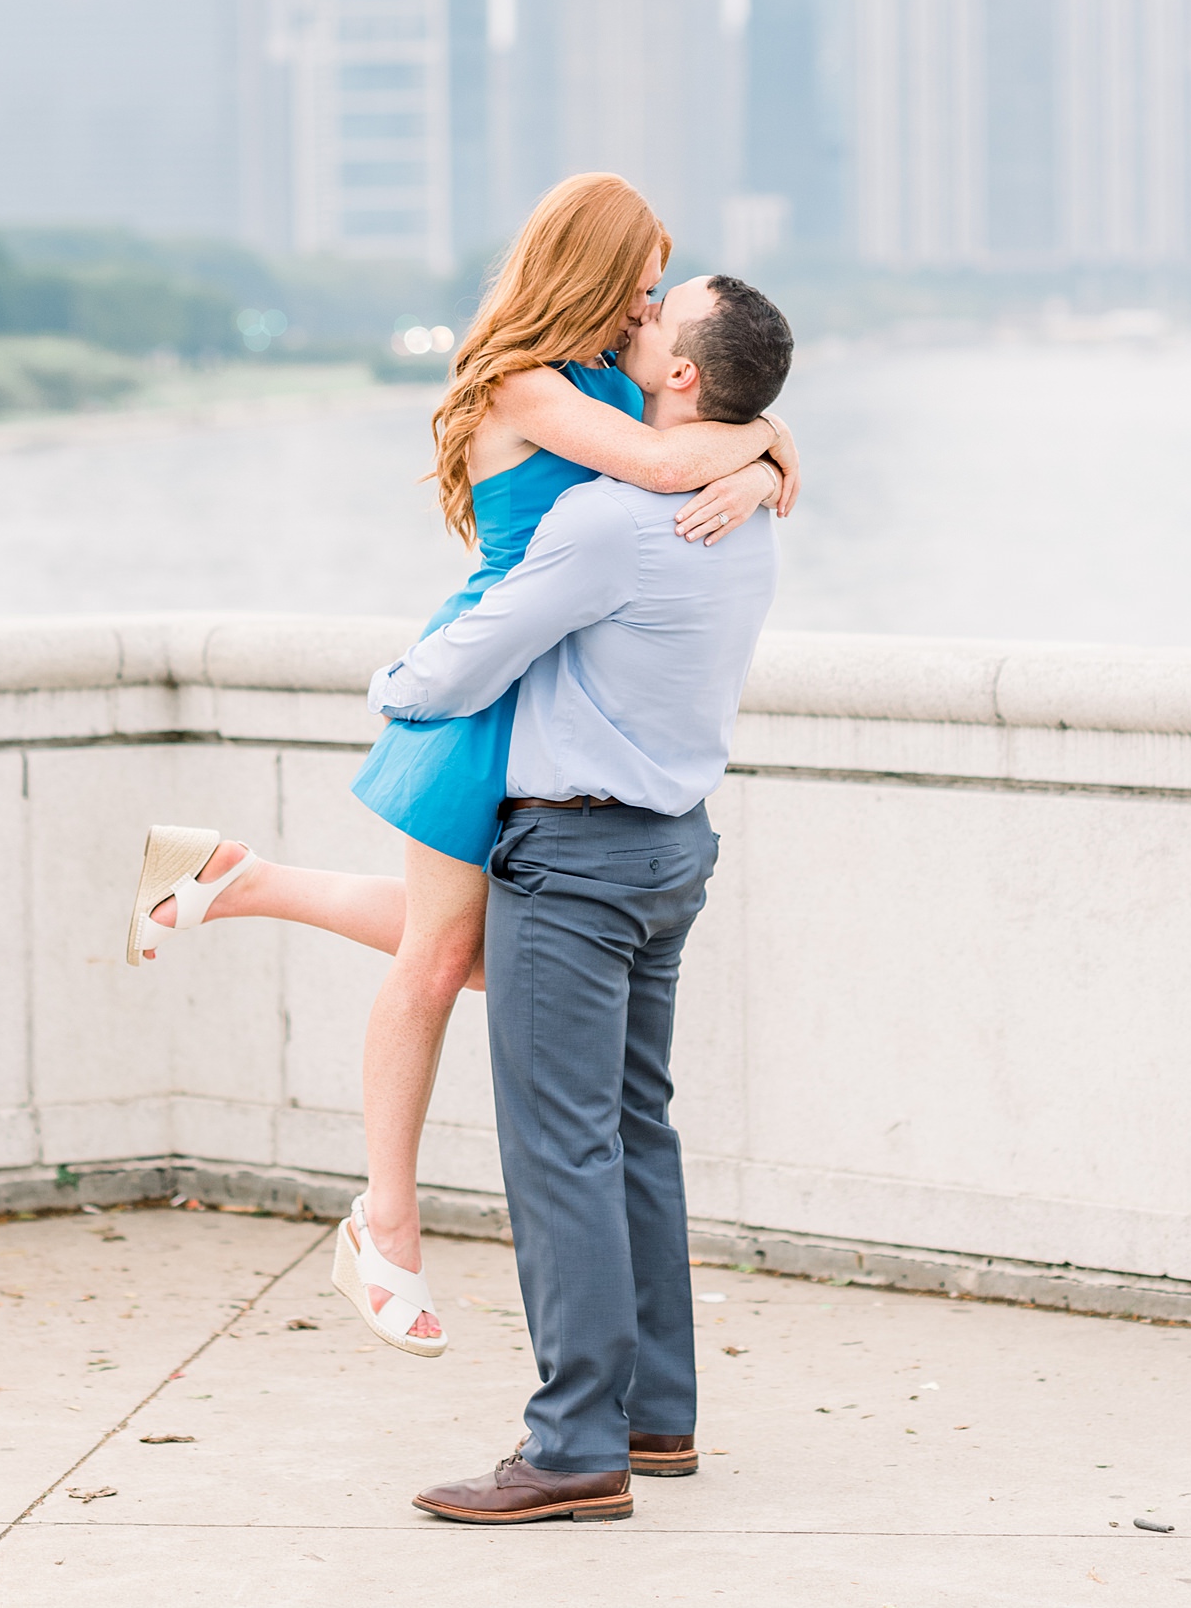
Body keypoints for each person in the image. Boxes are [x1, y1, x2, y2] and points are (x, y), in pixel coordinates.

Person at [124, 174, 799, 1353]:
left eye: (657, 295)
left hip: (540, 680)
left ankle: (237, 881)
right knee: (444, 962)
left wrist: (762, 461)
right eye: (640, 281)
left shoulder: (613, 373)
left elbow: (711, 434)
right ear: (588, 269)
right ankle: (385, 1224)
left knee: (496, 956)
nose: (648, 304)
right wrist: (759, 459)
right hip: (478, 685)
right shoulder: (526, 382)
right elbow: (658, 468)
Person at [371, 271, 791, 1524]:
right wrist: (766, 453)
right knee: (636, 1134)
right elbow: (754, 451)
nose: (636, 324)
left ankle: (571, 1451)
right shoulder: (747, 514)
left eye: (659, 320)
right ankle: (658, 1418)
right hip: (671, 851)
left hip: (579, 859)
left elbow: (472, 658)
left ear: (680, 378)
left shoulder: (612, 522)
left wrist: (390, 686)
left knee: (561, 1153)